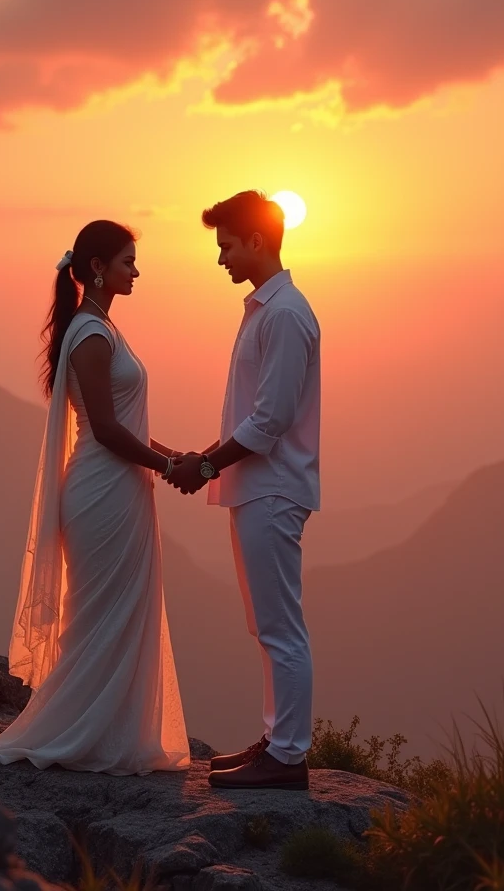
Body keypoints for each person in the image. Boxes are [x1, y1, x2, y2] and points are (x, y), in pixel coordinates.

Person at [0, 220, 189, 776]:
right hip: (101, 492)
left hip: (120, 486)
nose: (136, 271)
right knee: (97, 617)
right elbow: (107, 430)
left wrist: (173, 456)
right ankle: (80, 732)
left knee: (116, 613)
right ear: (97, 268)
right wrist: (167, 464)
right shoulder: (90, 334)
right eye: (127, 261)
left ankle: (109, 732)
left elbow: (124, 423)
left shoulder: (101, 327)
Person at [167, 190, 321, 791]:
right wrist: (208, 461)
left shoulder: (283, 314)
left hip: (273, 488)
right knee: (267, 624)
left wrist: (204, 464)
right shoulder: (264, 308)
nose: (221, 258)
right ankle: (276, 740)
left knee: (281, 625)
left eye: (227, 245)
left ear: (258, 240)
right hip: (257, 486)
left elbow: (269, 420)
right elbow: (250, 415)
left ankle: (287, 758)